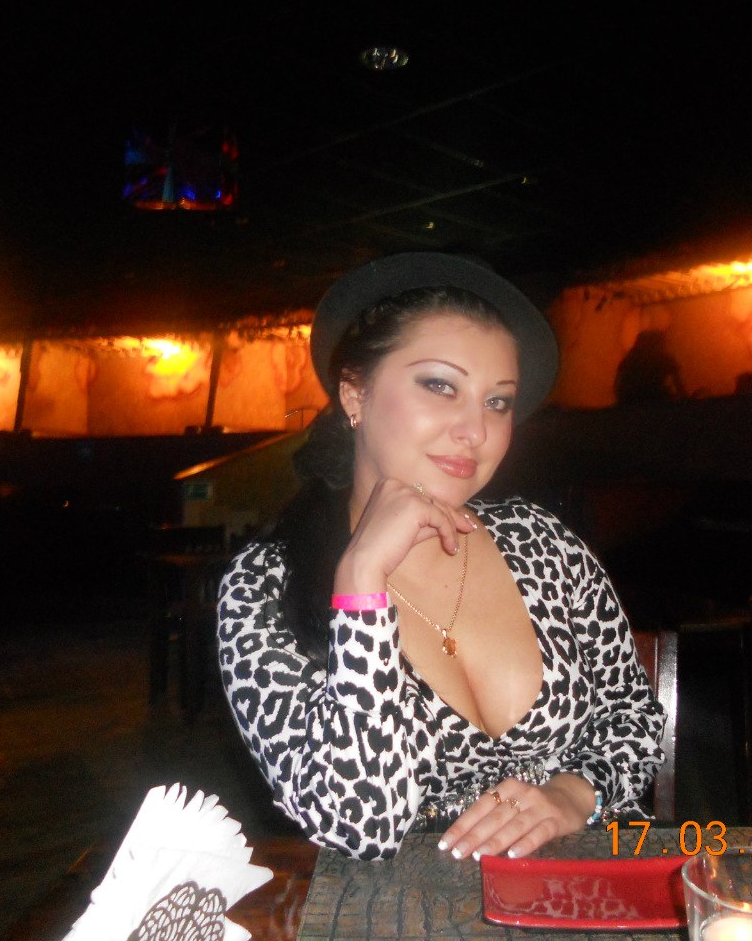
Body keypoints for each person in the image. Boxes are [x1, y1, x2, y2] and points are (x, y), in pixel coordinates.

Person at [217, 252, 665, 860]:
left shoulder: (544, 544)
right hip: (407, 904)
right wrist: (361, 582)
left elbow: (633, 716)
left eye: (497, 402)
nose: (475, 432)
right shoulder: (265, 587)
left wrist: (572, 794)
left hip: (588, 885)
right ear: (354, 392)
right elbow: (360, 826)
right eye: (440, 386)